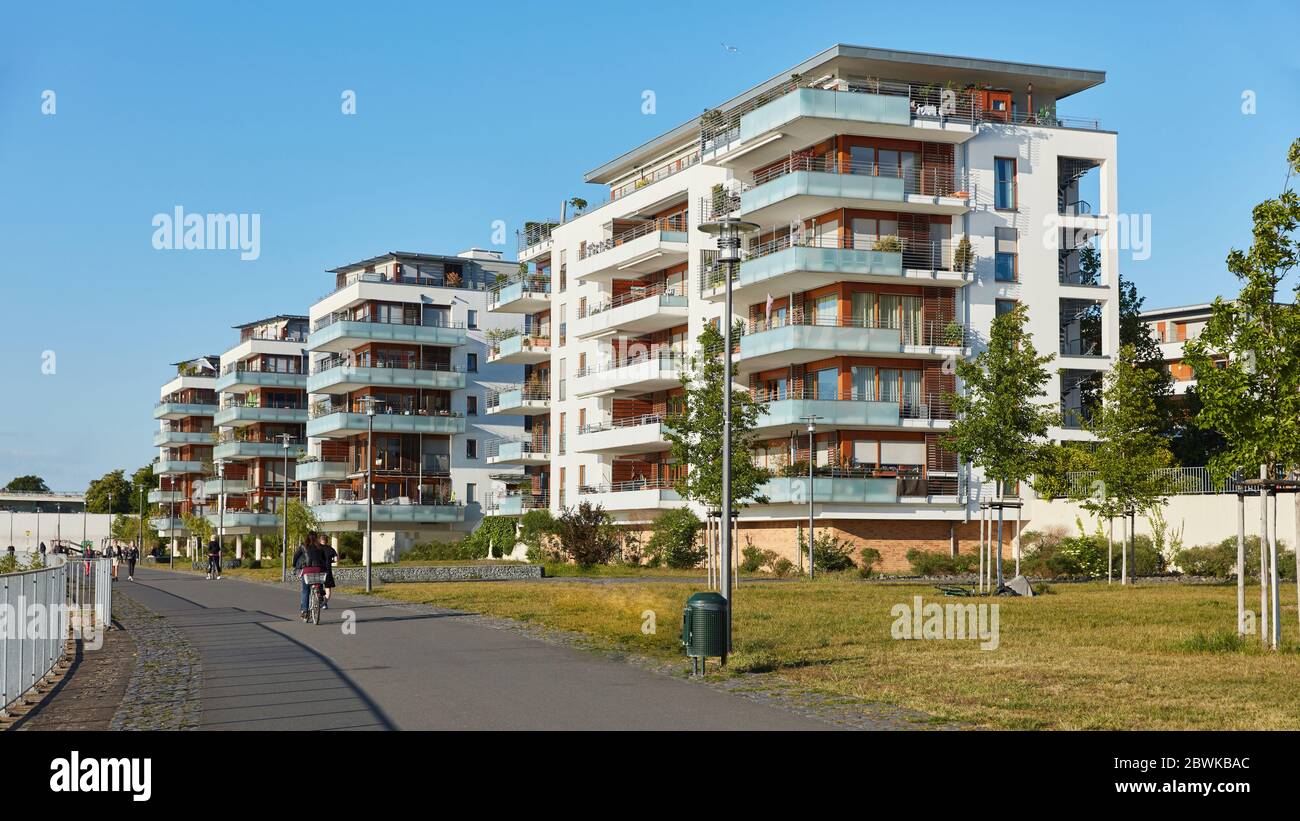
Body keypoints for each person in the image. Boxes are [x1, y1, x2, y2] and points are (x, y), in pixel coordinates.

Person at [292, 531, 328, 622]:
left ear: (307, 537)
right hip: (319, 569)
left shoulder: (303, 546)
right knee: (318, 580)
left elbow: (296, 556)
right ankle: (319, 593)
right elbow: (324, 558)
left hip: (307, 570)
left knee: (305, 590)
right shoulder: (320, 546)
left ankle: (305, 611)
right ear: (316, 538)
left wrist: (294, 565)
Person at [319, 534, 338, 609]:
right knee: (328, 588)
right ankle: (324, 604)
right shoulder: (331, 549)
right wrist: (330, 561)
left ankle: (318, 601)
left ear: (320, 540)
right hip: (328, 570)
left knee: (318, 587)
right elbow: (336, 559)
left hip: (319, 570)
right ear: (327, 540)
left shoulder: (317, 548)